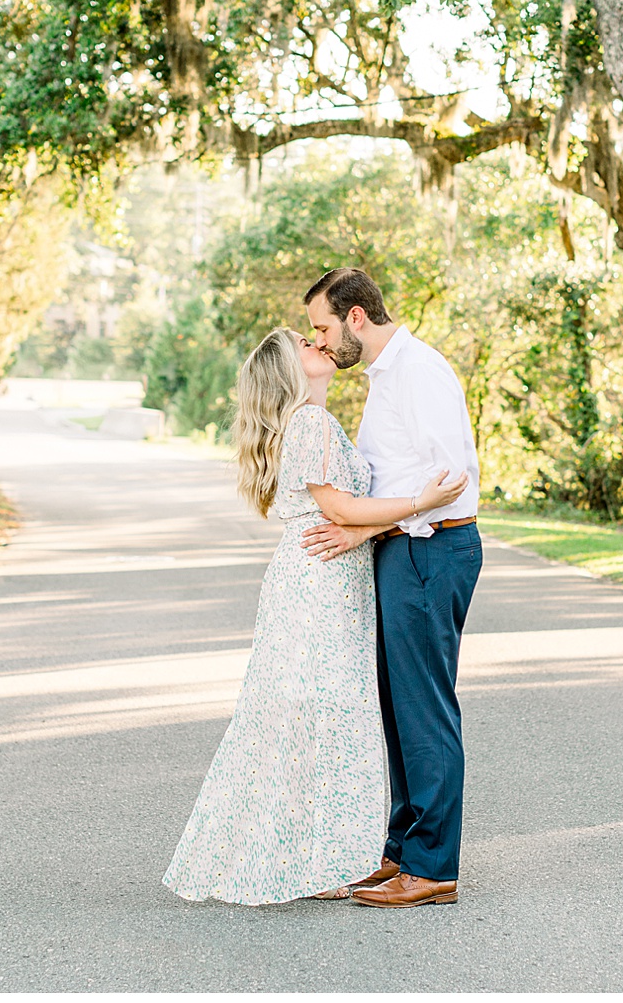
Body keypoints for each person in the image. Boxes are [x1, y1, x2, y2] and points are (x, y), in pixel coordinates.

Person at [163, 327, 466, 906]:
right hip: (321, 581)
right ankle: (318, 859)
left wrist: (371, 526)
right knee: (326, 712)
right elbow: (340, 507)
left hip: (317, 575)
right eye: (306, 342)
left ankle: (311, 855)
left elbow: (345, 514)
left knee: (306, 712)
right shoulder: (311, 425)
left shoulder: (310, 425)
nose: (319, 344)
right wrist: (419, 504)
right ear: (290, 372)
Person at [301, 267, 483, 909]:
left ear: (355, 316)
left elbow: (449, 478)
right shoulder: (384, 378)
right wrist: (365, 533)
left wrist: (372, 529)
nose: (319, 343)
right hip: (402, 550)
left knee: (425, 706)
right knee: (399, 705)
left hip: (433, 551)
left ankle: (433, 865)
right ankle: (403, 851)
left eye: (323, 327)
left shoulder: (419, 371)